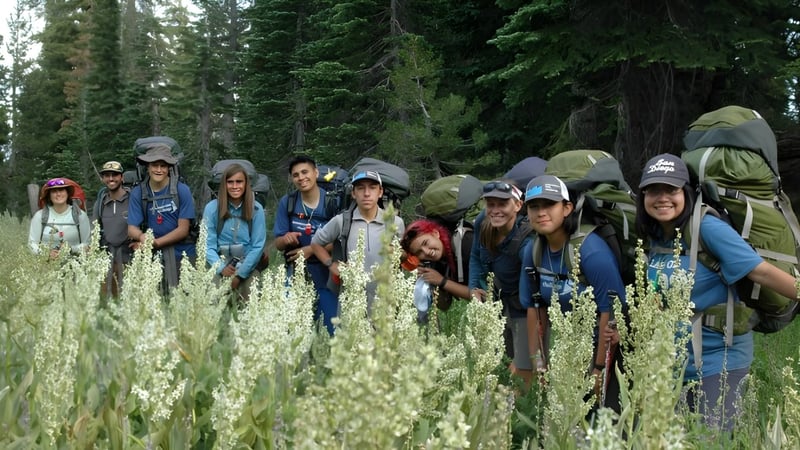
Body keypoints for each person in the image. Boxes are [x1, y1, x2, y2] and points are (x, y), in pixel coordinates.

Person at [636, 153, 800, 431]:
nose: (661, 197)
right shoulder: (657, 236)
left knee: (710, 440)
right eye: (653, 190)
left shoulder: (708, 228)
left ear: (686, 192)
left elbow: (759, 271)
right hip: (672, 366)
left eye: (671, 189)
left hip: (719, 361)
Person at [519, 174, 626, 411]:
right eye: (534, 206)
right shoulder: (533, 251)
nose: (540, 212)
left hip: (605, 350)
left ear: (567, 208)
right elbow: (534, 308)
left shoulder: (591, 251)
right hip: (566, 350)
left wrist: (598, 370)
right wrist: (538, 361)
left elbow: (610, 312)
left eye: (549, 205)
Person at [310, 170, 405, 323]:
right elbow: (316, 243)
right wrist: (330, 264)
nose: (366, 193)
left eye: (372, 188)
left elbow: (406, 255)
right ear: (353, 193)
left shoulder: (395, 222)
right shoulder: (342, 221)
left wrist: (399, 253)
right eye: (360, 188)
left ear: (380, 192)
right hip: (351, 300)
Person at [468, 180, 533, 386]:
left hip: (524, 308)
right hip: (497, 303)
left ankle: (527, 405)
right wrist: (473, 289)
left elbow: (528, 296)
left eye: (502, 204)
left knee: (524, 370)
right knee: (498, 366)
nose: (495, 210)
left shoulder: (527, 242)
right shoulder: (482, 223)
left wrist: (523, 353)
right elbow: (476, 257)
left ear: (517, 205)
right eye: (490, 204)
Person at [274, 155, 338, 333]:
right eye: (296, 175)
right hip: (296, 272)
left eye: (305, 172)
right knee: (290, 327)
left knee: (330, 328)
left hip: (326, 272)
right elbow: (278, 242)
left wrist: (311, 249)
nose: (301, 178)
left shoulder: (332, 202)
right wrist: (286, 239)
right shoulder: (288, 203)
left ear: (316, 172)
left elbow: (341, 239)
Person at [127, 144, 197, 290]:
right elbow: (131, 228)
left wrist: (155, 243)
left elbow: (183, 229)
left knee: (182, 301)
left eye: (163, 166)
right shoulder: (138, 192)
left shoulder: (181, 190)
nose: (159, 170)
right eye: (155, 165)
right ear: (147, 166)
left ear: (169, 168)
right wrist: (142, 237)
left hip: (182, 255)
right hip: (152, 257)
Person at [203, 163, 267, 302]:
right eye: (230, 182)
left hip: (247, 265)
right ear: (224, 185)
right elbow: (208, 245)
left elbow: (258, 245)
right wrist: (221, 269)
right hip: (219, 262)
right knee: (212, 300)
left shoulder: (256, 209)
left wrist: (240, 274)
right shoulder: (212, 208)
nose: (235, 186)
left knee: (251, 299)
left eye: (239, 182)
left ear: (246, 184)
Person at [400, 219, 472, 312]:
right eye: (419, 252)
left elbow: (482, 295)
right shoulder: (439, 261)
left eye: (426, 243)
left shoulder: (466, 244)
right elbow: (443, 306)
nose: (427, 252)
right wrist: (428, 283)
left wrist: (442, 281)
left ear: (435, 233)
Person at [93, 161, 132, 297]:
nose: (111, 179)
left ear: (122, 177)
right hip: (107, 260)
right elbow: (95, 230)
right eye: (107, 175)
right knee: (107, 301)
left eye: (115, 175)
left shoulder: (133, 200)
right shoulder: (100, 203)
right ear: (103, 178)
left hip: (130, 258)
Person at [29, 177, 91, 258]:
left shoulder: (79, 215)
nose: (58, 194)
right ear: (49, 196)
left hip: (75, 266)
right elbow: (32, 244)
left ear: (68, 193)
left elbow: (88, 244)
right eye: (54, 191)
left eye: (61, 190)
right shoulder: (40, 216)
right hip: (45, 266)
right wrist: (46, 254)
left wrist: (70, 249)